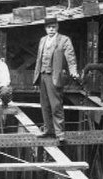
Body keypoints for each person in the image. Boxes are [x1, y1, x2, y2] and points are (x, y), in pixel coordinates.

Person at [33, 14, 79, 143]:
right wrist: (36, 77)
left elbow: (71, 57)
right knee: (45, 105)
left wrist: (73, 71)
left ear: (57, 27)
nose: (51, 29)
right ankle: (48, 130)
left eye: (53, 27)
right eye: (49, 27)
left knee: (56, 105)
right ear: (45, 29)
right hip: (42, 75)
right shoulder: (42, 40)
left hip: (54, 76)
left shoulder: (64, 40)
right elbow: (39, 59)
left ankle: (60, 133)